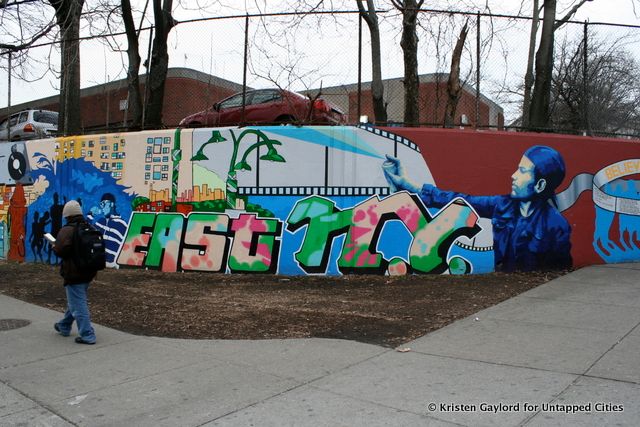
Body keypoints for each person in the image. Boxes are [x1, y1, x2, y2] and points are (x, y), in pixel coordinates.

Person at [383, 145, 572, 272]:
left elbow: (559, 275)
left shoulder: (556, 226)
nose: (513, 176)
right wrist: (411, 186)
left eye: (522, 171)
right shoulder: (503, 205)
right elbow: (461, 200)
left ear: (539, 185)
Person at [52, 200, 97, 344]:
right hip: (88, 271)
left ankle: (87, 334)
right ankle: (64, 325)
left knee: (78, 304)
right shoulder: (89, 227)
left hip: (73, 272)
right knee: (76, 300)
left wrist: (54, 245)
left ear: (67, 215)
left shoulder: (67, 230)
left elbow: (60, 250)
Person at [87, 193, 127, 268]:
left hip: (113, 265)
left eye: (103, 204)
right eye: (100, 204)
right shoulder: (101, 221)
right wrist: (90, 216)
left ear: (112, 204)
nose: (101, 207)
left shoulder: (122, 224)